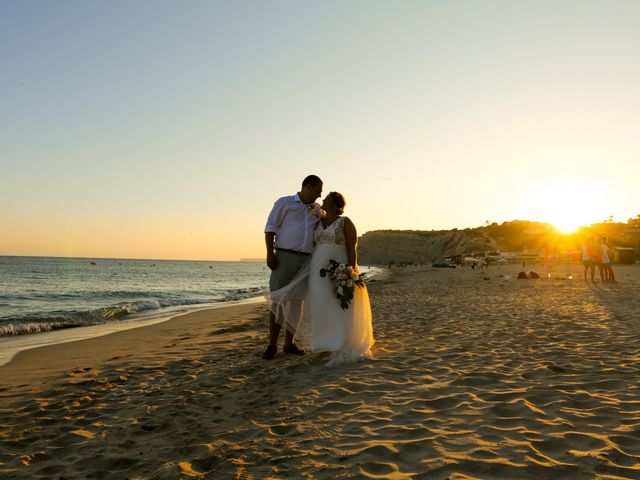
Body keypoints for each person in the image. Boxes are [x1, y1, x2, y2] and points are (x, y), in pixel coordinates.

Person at [268, 192, 374, 366]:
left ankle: (340, 341)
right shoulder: (318, 222)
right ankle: (324, 342)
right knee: (321, 304)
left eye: (325, 199)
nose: (321, 200)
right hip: (317, 270)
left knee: (339, 303)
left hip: (338, 268)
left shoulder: (345, 222)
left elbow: (352, 247)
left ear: (333, 203)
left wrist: (349, 269)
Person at [262, 175, 323, 360]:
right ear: (307, 187)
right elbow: (270, 228)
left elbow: (327, 223)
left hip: (306, 261)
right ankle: (272, 344)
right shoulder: (285, 203)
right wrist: (270, 254)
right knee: (278, 300)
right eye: (317, 192)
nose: (318, 196)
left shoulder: (317, 209)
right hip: (284, 257)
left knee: (297, 302)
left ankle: (289, 343)